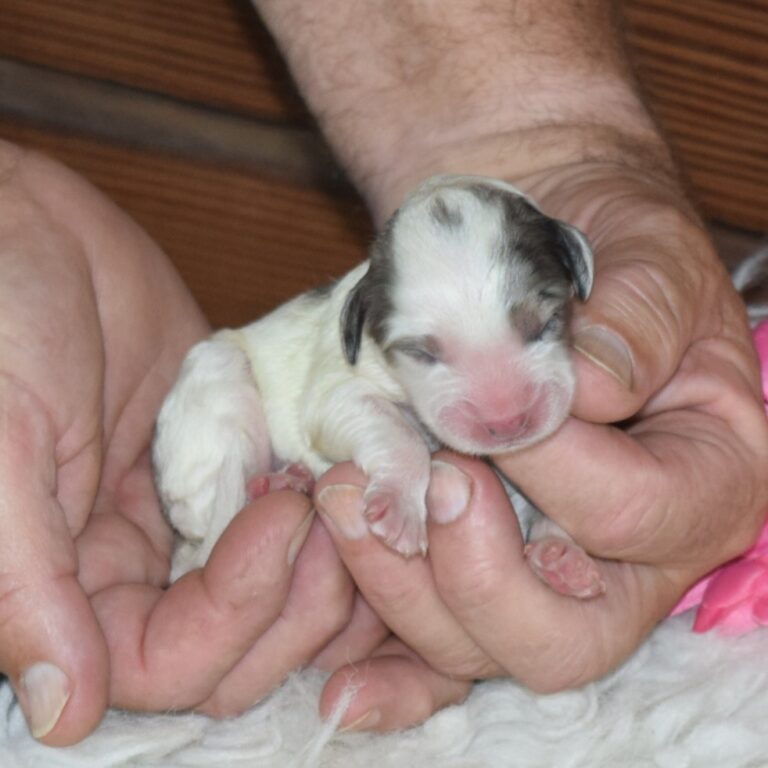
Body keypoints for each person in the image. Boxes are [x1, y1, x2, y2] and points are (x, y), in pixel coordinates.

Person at [0, 0, 765, 746]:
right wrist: (397, 465)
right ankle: (212, 533)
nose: (503, 404)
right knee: (222, 383)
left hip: (321, 506)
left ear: (577, 268)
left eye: (538, 329)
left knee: (525, 494)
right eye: (427, 353)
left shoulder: (494, 336)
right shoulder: (353, 347)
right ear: (362, 326)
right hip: (255, 406)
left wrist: (560, 531)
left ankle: (531, 544)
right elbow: (334, 408)